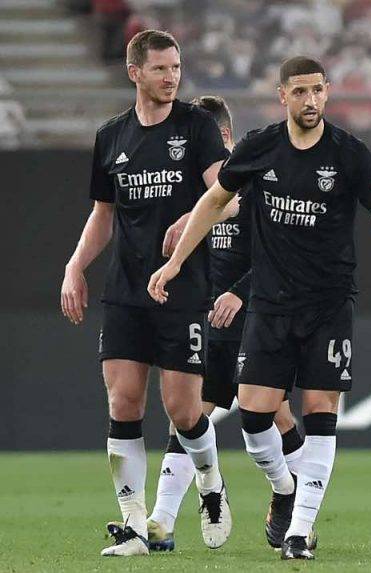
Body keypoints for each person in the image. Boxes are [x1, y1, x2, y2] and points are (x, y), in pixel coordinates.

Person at [148, 56, 371, 560]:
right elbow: (213, 202)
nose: (311, 100)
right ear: (283, 96)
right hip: (270, 308)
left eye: (318, 90)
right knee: (255, 419)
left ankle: (300, 531)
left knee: (320, 412)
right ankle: (283, 488)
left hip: (328, 306)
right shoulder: (260, 148)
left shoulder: (351, 154)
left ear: (327, 92)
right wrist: (173, 265)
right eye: (300, 92)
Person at [60, 29, 232, 557]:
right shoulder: (112, 136)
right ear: (134, 73)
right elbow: (102, 214)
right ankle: (135, 526)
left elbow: (230, 196)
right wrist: (74, 266)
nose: (171, 77)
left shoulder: (196, 127)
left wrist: (192, 215)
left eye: (176, 68)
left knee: (182, 412)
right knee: (123, 400)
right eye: (160, 69)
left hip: (182, 290)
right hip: (126, 289)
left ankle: (210, 482)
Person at [145, 95, 304, 552]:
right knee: (189, 415)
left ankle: (293, 503)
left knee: (274, 413)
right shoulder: (192, 193)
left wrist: (242, 291)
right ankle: (162, 522)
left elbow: (283, 256)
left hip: (256, 316)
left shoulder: (256, 184)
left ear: (225, 138)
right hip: (207, 321)